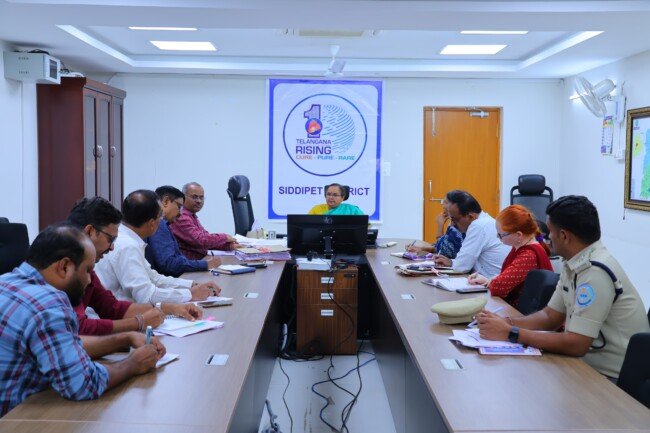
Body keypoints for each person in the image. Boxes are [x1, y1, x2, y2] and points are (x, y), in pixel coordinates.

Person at [477, 196, 650, 379]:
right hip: (585, 365)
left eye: (550, 232)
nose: (546, 237)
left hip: (613, 378)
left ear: (564, 236)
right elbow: (550, 317)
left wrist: (511, 333)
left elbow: (577, 344)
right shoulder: (574, 263)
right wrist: (507, 322)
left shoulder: (594, 272)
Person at [0, 225, 164, 416]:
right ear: (64, 266)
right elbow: (84, 384)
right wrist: (133, 364)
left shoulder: (6, 281)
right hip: (14, 419)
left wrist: (125, 338)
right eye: (88, 270)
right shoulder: (48, 304)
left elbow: (64, 344)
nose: (89, 281)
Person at [67, 197, 202, 336]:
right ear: (89, 231)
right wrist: (138, 323)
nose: (112, 247)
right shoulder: (66, 269)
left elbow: (112, 307)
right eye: (110, 239)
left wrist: (169, 308)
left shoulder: (86, 268)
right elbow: (78, 328)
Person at [95, 190, 220, 304]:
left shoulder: (127, 239)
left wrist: (191, 284)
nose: (162, 221)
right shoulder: (128, 246)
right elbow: (147, 296)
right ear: (152, 223)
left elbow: (154, 279)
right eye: (160, 217)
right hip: (116, 318)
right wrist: (189, 294)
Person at [467, 204, 553, 308]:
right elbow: (507, 280)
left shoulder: (528, 255)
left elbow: (498, 288)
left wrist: (493, 281)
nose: (497, 236)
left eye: (500, 235)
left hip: (519, 311)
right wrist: (486, 280)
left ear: (518, 235)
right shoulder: (519, 246)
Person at [146, 186, 221, 277]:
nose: (180, 213)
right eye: (179, 207)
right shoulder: (160, 225)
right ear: (165, 202)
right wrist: (205, 264)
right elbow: (169, 264)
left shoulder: (164, 224)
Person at [433, 190, 509, 278]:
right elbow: (462, 264)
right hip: (486, 279)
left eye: (454, 219)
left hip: (489, 283)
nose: (453, 224)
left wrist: (454, 263)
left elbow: (461, 267)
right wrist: (452, 262)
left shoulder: (479, 226)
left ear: (470, 216)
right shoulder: (485, 221)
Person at [170, 182, 240, 260]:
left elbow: (206, 240)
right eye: (194, 197)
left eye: (201, 197)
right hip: (190, 264)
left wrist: (229, 246)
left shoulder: (191, 215)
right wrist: (224, 237)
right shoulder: (181, 216)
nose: (199, 201)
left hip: (200, 261)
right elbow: (200, 240)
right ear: (183, 197)